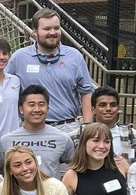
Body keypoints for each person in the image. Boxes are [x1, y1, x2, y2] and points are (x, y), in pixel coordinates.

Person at [6, 8, 94, 136]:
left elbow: (86, 92)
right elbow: (1, 83)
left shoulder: (75, 56)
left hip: (68, 129)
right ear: (35, 32)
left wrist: (87, 126)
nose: (53, 32)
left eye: (56, 28)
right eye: (47, 29)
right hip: (31, 130)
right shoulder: (19, 57)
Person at [0, 85, 76, 180]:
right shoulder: (6, 140)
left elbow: (75, 167)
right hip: (17, 194)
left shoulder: (63, 138)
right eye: (31, 105)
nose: (37, 109)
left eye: (41, 104)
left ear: (48, 108)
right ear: (21, 109)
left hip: (50, 193)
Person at [74, 85, 136, 167]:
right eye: (103, 105)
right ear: (93, 109)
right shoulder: (78, 135)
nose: (108, 108)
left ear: (118, 108)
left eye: (113, 105)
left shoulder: (133, 135)